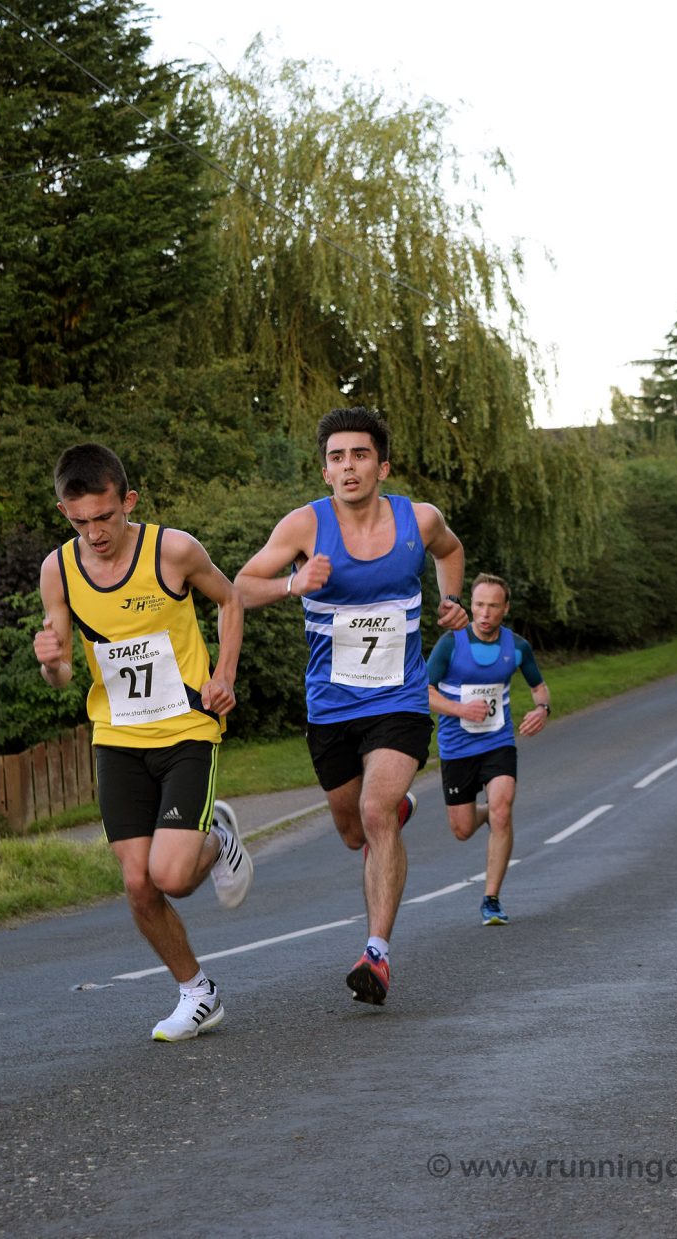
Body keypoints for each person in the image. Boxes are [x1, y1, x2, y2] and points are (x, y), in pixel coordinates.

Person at [234, 406, 468, 1006]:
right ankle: (394, 811)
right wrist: (293, 584)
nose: (348, 466)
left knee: (373, 809)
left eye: (360, 454)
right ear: (325, 471)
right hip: (331, 706)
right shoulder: (304, 528)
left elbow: (450, 550)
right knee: (350, 830)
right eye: (337, 457)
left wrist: (452, 600)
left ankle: (377, 954)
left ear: (381, 465)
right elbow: (238, 587)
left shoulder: (418, 519)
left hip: (401, 699)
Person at [34, 443, 252, 1043]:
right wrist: (50, 661)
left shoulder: (173, 550)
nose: (95, 532)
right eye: (80, 521)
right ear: (64, 513)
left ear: (127, 500)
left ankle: (219, 837)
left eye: (105, 516)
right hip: (117, 735)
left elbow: (230, 600)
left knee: (174, 876)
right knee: (138, 884)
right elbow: (62, 676)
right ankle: (197, 991)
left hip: (187, 725)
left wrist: (224, 674)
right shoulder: (59, 570)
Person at [427, 573, 550, 926]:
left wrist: (542, 709)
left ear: (505, 609)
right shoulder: (451, 644)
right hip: (457, 746)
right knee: (463, 829)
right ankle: (487, 813)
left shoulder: (517, 647)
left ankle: (491, 899)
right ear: (471, 606)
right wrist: (460, 709)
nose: (484, 613)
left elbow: (539, 688)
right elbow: (424, 691)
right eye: (479, 605)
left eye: (493, 606)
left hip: (497, 741)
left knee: (502, 808)